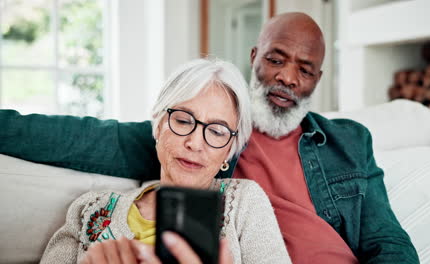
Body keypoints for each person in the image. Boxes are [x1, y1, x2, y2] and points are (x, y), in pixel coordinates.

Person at [0, 12, 419, 263]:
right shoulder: (196, 134)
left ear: (317, 79)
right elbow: (79, 138)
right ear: (255, 57)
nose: (288, 77)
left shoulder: (350, 142)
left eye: (305, 70)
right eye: (277, 59)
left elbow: (387, 239)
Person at [39, 58, 292, 264]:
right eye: (183, 120)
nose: (195, 142)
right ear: (158, 126)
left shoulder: (244, 202)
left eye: (216, 131)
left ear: (229, 151)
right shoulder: (90, 208)